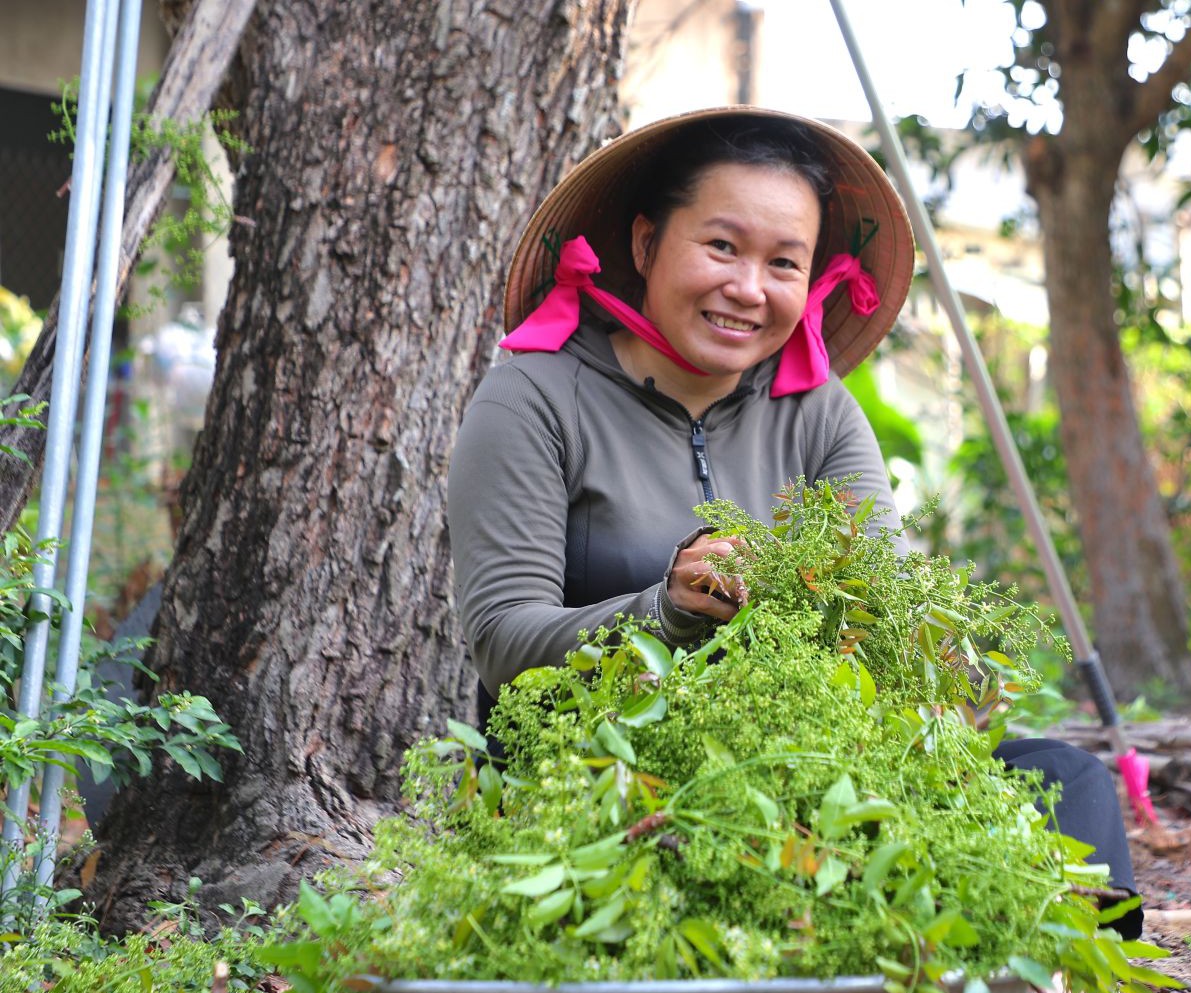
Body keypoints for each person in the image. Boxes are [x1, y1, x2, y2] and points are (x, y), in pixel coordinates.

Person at [447, 106, 1141, 939]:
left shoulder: (818, 413)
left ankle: (1054, 970)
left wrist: (939, 680)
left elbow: (886, 601)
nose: (748, 288)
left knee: (1067, 780)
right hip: (600, 785)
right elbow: (502, 639)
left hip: (802, 766)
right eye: (722, 247)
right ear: (643, 244)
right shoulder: (534, 399)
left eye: (784, 262)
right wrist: (662, 613)